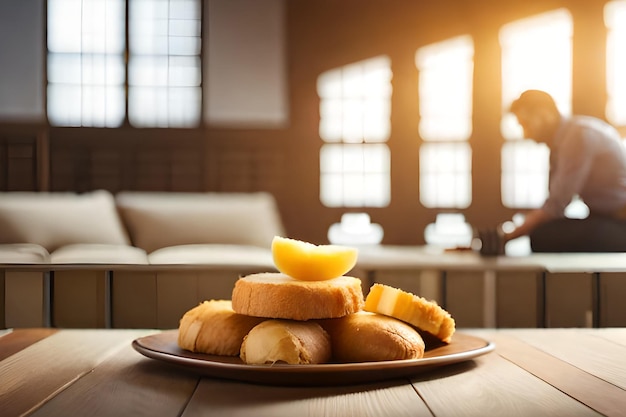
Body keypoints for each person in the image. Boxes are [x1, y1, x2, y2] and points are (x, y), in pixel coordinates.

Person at [502, 89, 626, 252]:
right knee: (545, 232)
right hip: (605, 218)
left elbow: (556, 205)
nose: (526, 134)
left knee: (543, 237)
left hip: (620, 223)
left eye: (526, 124)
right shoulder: (565, 140)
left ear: (545, 114)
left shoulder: (576, 137)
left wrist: (506, 236)